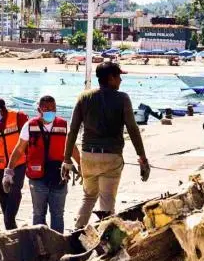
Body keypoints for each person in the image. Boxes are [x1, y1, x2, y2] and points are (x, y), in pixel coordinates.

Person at [63, 62, 150, 229]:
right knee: (107, 201)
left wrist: (67, 160)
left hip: (87, 156)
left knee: (88, 197)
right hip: (111, 157)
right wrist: (142, 157)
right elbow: (132, 128)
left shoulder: (83, 97)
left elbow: (72, 130)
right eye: (118, 76)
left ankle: (77, 231)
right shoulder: (122, 98)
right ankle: (107, 240)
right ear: (111, 78)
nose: (121, 80)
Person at [5, 96, 80, 233]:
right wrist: (8, 172)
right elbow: (19, 149)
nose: (50, 111)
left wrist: (81, 165)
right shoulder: (29, 126)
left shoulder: (63, 125)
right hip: (37, 179)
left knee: (58, 215)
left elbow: (72, 147)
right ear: (39, 109)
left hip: (59, 176)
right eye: (46, 109)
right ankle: (39, 245)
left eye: (53, 109)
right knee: (38, 214)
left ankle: (57, 245)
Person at [0, 98, 29, 230]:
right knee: (3, 196)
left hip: (19, 162)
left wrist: (31, 159)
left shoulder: (18, 117)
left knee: (15, 191)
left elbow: (27, 140)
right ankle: (10, 224)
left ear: (3, 110)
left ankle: (9, 223)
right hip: (1, 164)